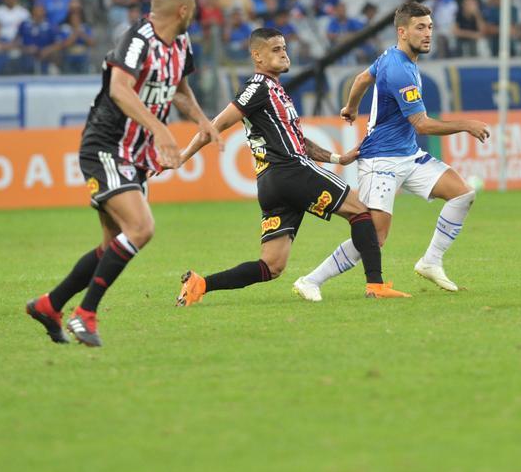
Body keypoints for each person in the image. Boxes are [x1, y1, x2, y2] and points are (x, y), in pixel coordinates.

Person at [26, 0, 221, 348]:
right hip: (107, 145)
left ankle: (49, 305)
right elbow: (119, 88)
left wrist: (200, 119)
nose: (195, 15)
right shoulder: (138, 39)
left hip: (135, 154)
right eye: (193, 9)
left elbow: (178, 88)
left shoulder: (181, 42)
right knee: (141, 228)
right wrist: (160, 129)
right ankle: (84, 315)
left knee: (111, 244)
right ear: (182, 10)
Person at [175, 27, 411, 306]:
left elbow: (299, 141)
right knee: (360, 211)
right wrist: (182, 156)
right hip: (290, 170)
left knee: (271, 265)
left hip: (271, 184)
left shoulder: (276, 91)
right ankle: (376, 285)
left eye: (284, 47)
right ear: (257, 56)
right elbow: (215, 125)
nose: (284, 53)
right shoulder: (258, 87)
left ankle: (200, 285)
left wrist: (338, 159)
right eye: (275, 49)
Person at [293, 2, 491, 301]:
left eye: (430, 27)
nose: (428, 34)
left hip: (408, 155)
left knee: (462, 193)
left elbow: (361, 79)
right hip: (380, 160)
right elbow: (421, 124)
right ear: (402, 32)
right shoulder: (400, 70)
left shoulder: (392, 57)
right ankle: (310, 280)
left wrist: (351, 107)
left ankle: (431, 262)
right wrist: (466, 125)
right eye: (420, 28)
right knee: (376, 236)